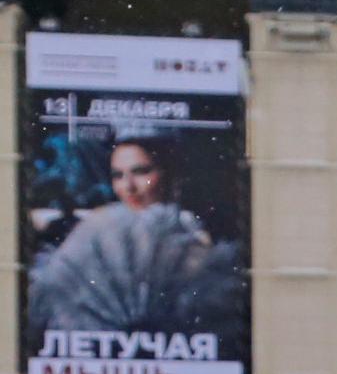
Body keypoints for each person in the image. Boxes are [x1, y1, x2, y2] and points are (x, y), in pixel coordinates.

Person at [25, 135, 248, 348]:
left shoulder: (195, 236)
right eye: (117, 176)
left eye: (141, 172)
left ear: (170, 174)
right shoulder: (96, 229)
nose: (128, 186)